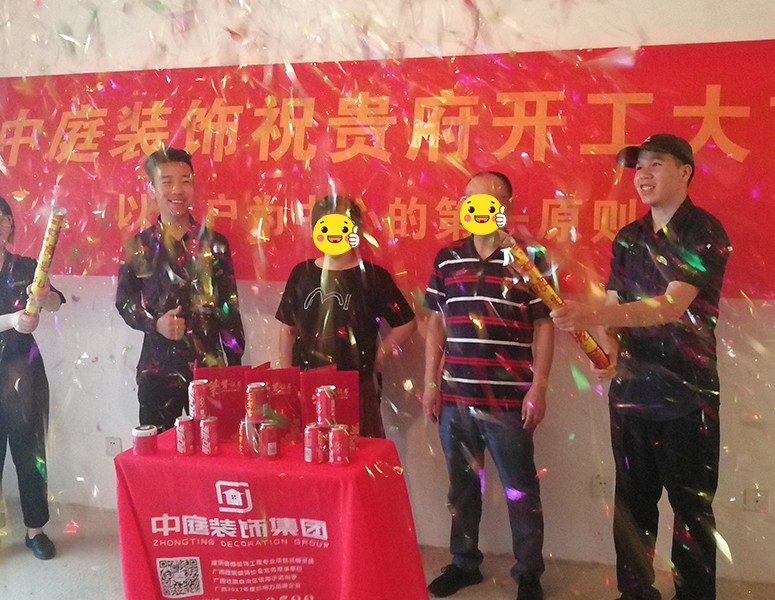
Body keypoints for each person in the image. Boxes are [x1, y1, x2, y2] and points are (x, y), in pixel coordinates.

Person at [551, 134, 731, 600]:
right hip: (631, 395)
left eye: (655, 164)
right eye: (638, 167)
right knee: (632, 506)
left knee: (691, 510)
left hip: (688, 396)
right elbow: (615, 304)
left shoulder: (704, 231)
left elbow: (670, 307)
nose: (643, 175)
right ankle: (634, 593)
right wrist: (606, 348)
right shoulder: (629, 238)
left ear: (685, 171)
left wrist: (590, 313)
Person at [423, 171, 554, 600]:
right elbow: (436, 323)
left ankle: (529, 573)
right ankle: (464, 563)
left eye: (488, 201)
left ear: (506, 207)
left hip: (508, 401)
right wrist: (430, 383)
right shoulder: (447, 258)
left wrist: (539, 387)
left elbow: (544, 325)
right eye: (469, 201)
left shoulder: (529, 258)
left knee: (521, 490)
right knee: (462, 489)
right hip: (456, 397)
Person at [116, 147, 245, 432]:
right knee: (159, 453)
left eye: (185, 181)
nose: (177, 190)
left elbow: (229, 306)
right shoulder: (137, 247)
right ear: (152, 189)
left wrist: (235, 366)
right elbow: (124, 302)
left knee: (215, 448)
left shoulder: (215, 244)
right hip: (158, 370)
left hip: (209, 371)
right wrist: (155, 324)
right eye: (167, 181)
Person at [275, 193, 416, 438]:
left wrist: (378, 356)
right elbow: (288, 329)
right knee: (310, 448)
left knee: (361, 448)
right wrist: (288, 380)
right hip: (307, 383)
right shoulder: (302, 274)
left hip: (357, 383)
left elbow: (407, 323)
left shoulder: (373, 276)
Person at [0, 196, 64, 560]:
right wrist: (12, 320)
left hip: (25, 371)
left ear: (10, 224)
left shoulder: (27, 266)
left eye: (2, 218)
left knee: (30, 452)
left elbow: (55, 303)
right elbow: (14, 320)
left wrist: (45, 295)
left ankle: (35, 530)